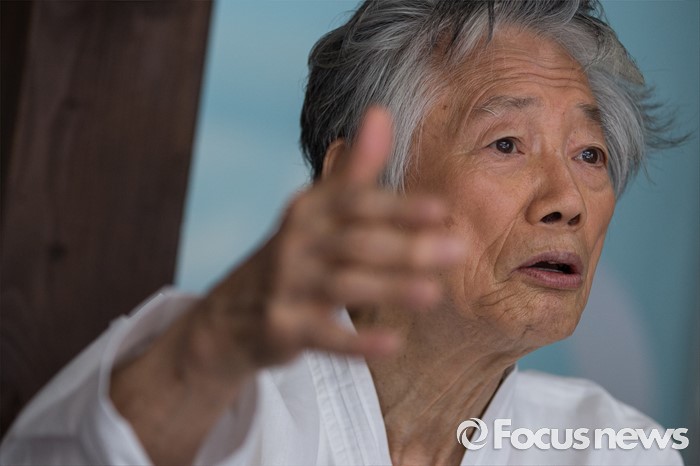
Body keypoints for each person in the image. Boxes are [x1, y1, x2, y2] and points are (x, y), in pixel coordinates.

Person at [0, 0, 686, 465]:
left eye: (589, 154)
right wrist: (208, 346)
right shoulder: (209, 382)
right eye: (506, 143)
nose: (567, 201)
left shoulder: (612, 448)